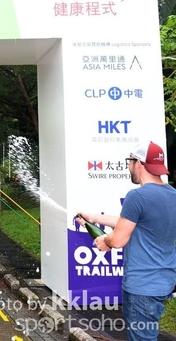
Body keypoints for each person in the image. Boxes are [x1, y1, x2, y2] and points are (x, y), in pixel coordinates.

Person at [76, 140, 176, 341]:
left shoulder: (137, 196)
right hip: (163, 280)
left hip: (142, 284)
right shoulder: (172, 195)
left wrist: (105, 240)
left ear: (139, 163)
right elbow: (132, 223)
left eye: (130, 161)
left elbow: (118, 239)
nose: (129, 166)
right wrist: (94, 218)